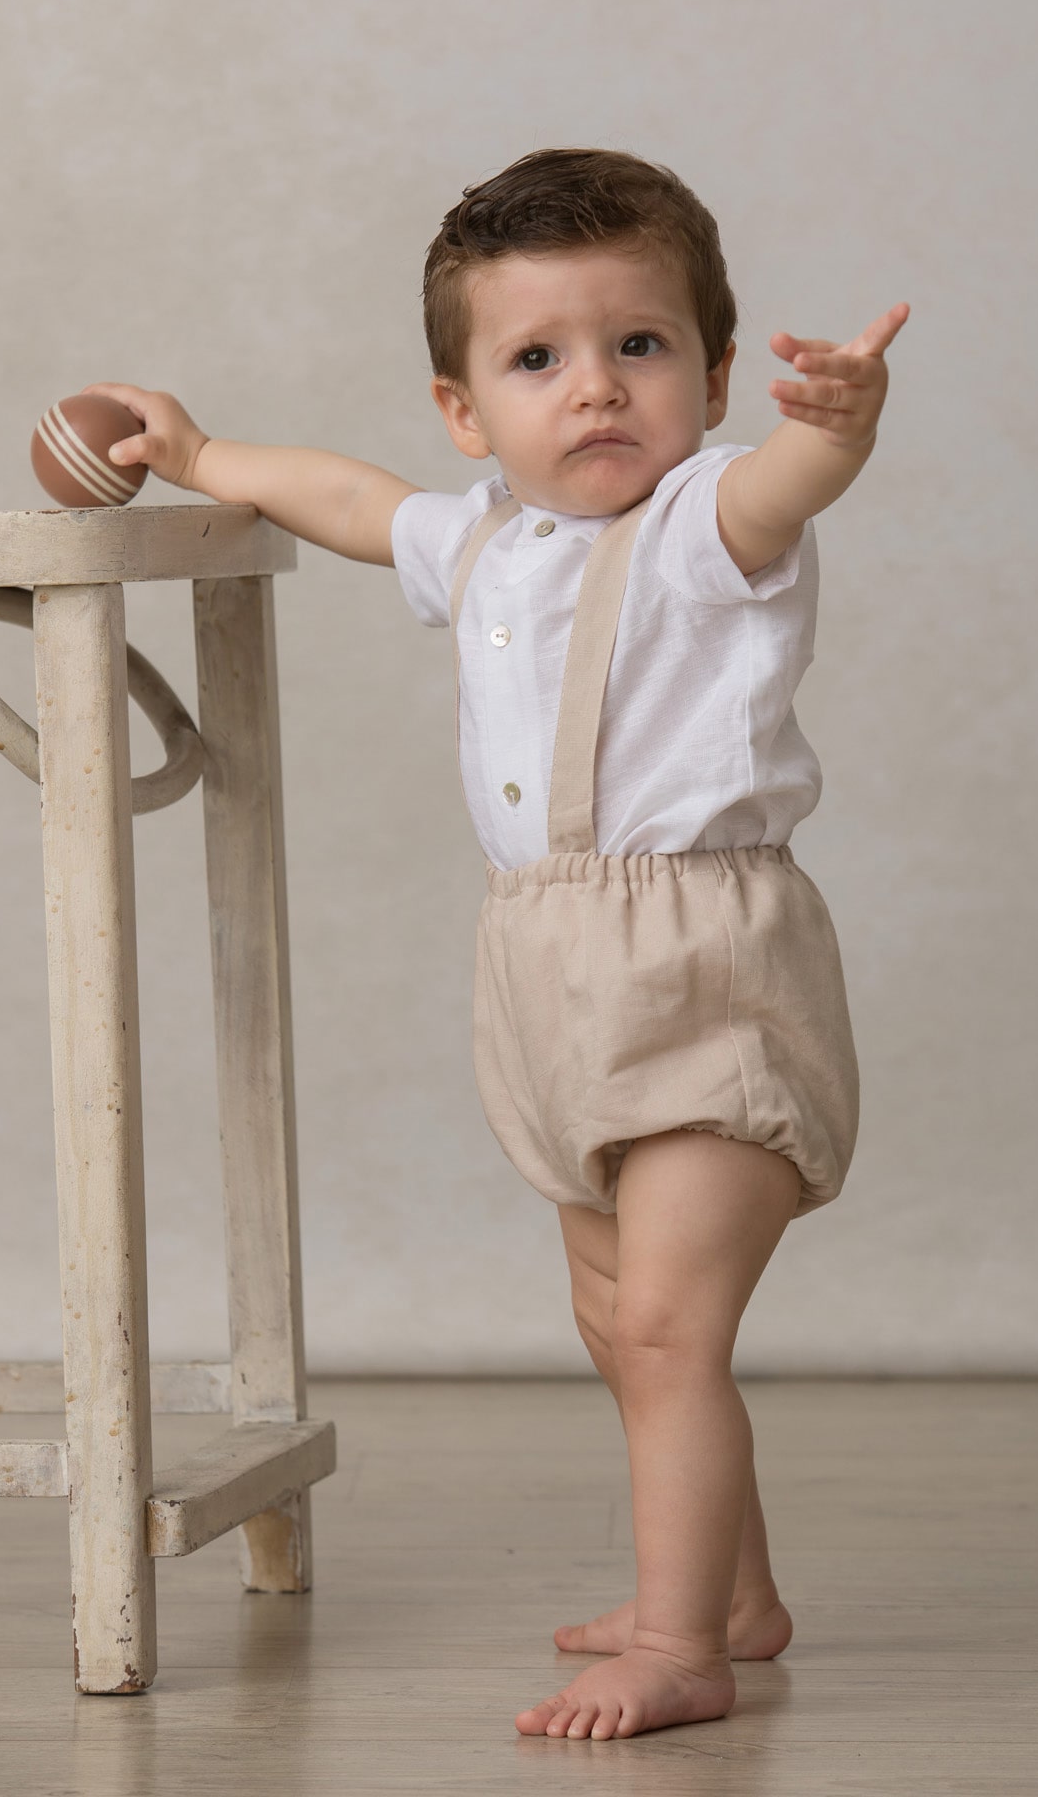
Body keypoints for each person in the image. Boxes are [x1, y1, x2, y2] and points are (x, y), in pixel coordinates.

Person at [85, 144, 908, 1743]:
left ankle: (679, 1645)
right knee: (616, 1322)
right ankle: (733, 1592)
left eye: (641, 348)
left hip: (702, 965)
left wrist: (836, 430)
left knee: (672, 1322)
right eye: (538, 361)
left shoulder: (704, 528)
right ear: (469, 411)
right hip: (545, 977)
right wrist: (199, 449)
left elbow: (782, 486)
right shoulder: (476, 545)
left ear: (715, 374)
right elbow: (344, 498)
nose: (595, 390)